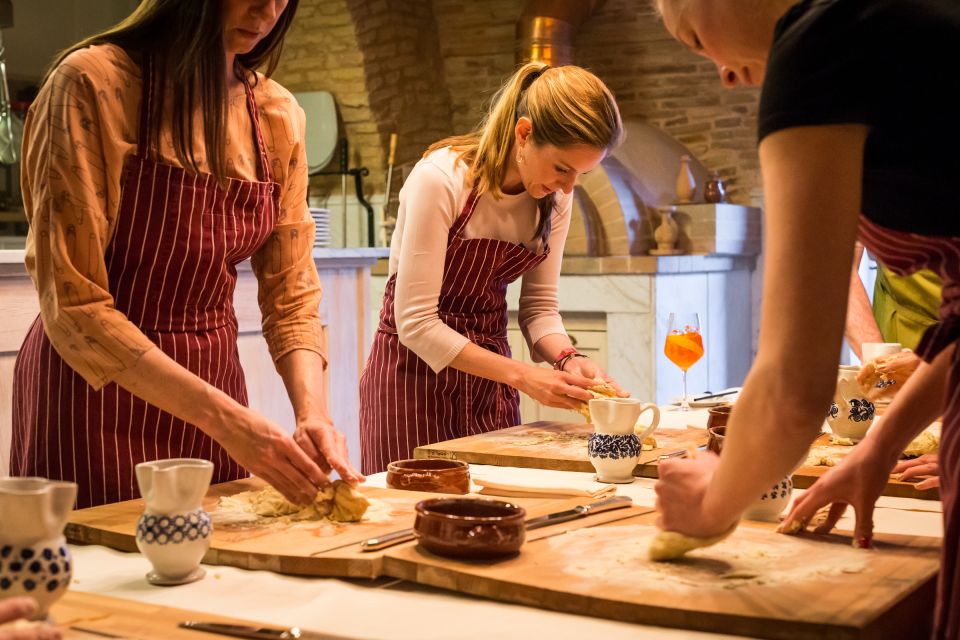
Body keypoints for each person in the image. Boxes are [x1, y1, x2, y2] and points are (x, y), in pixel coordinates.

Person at [651, 0, 960, 636]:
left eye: (692, 37)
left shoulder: (825, 36)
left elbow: (794, 388)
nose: (723, 76)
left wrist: (712, 504)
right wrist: (878, 449)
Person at [11, 0, 363, 510]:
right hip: (94, 394)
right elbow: (74, 305)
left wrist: (314, 414)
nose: (267, 8)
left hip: (214, 386)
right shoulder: (94, 83)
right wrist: (224, 419)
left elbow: (291, 292)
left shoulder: (277, 115)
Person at [359, 62, 625, 474]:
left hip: (491, 386)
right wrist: (523, 376)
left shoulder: (554, 198)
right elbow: (415, 324)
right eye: (562, 168)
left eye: (581, 174)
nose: (569, 186)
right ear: (524, 133)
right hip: (411, 382)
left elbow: (538, 309)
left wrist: (568, 360)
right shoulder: (441, 179)